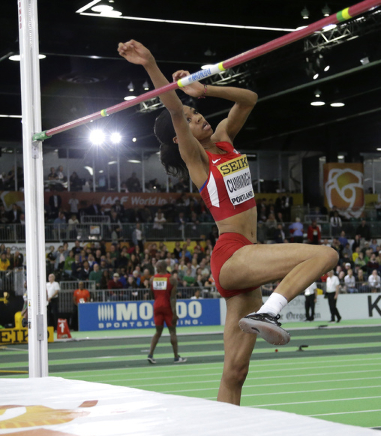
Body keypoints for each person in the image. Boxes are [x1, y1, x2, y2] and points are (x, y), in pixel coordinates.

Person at [118, 39, 338, 405]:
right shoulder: (197, 158)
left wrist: (205, 89)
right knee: (325, 254)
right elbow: (172, 109)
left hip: (245, 260)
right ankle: (270, 313)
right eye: (190, 118)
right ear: (180, 136)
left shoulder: (223, 140)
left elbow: (248, 98)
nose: (197, 115)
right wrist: (151, 65)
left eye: (195, 110)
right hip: (232, 254)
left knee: (235, 373)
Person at [148, 260, 186, 364]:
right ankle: (176, 357)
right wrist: (174, 313)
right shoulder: (172, 279)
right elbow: (173, 298)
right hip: (167, 307)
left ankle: (150, 355)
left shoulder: (152, 279)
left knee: (157, 332)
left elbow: (151, 294)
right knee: (172, 332)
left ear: (159, 267)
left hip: (156, 307)